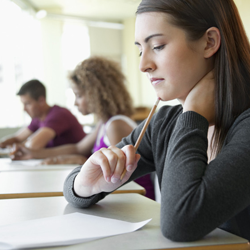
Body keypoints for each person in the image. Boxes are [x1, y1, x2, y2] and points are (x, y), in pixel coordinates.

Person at [63, 0, 250, 243]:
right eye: (141, 49)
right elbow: (72, 186)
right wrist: (85, 185)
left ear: (210, 42)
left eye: (158, 46)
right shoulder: (164, 124)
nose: (143, 65)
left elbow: (182, 222)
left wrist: (193, 113)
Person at [11, 57, 155, 199]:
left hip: (136, 199)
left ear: (95, 94)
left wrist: (80, 161)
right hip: (122, 198)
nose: (75, 103)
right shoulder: (104, 123)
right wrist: (33, 153)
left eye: (78, 96)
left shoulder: (116, 125)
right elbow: (78, 148)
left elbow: (114, 175)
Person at [0, 79, 86, 150]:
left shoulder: (58, 115)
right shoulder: (38, 119)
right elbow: (17, 138)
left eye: (27, 104)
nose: (24, 109)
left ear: (41, 101)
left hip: (79, 166)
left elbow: (33, 146)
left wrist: (19, 146)